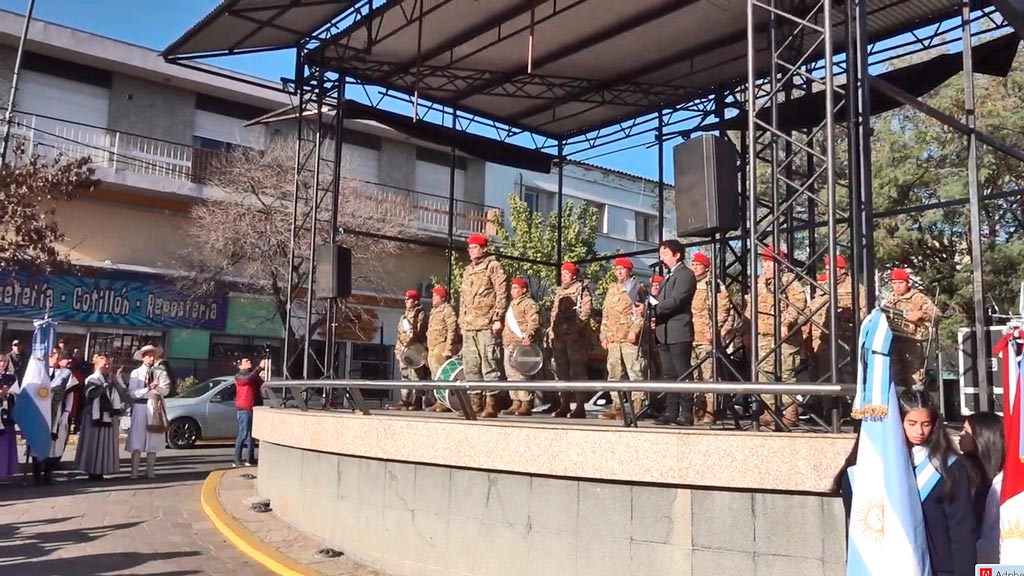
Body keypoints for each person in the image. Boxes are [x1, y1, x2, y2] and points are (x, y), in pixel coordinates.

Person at [841, 390, 977, 575]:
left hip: (939, 568)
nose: (919, 431)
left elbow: (962, 530)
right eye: (911, 424)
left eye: (926, 424)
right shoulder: (864, 472)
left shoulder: (948, 467)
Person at [744, 246, 806, 427]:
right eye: (765, 261)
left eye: (771, 262)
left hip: (785, 337)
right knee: (764, 373)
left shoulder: (789, 280)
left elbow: (799, 302)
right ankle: (770, 410)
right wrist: (746, 331)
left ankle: (790, 413)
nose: (767, 265)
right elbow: (750, 308)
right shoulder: (760, 281)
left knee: (786, 373)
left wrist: (786, 322)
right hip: (763, 336)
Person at [458, 234, 509, 416]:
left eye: (474, 247)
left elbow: (502, 292)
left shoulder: (493, 266)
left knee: (490, 364)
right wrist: (461, 321)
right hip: (470, 325)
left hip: (487, 324)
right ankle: (475, 403)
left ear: (483, 248)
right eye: (470, 248)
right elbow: (463, 299)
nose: (471, 251)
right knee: (471, 365)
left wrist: (497, 318)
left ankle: (491, 404)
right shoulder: (468, 270)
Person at [647, 240, 696, 426]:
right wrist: (647, 306)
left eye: (665, 254)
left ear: (677, 255)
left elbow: (677, 300)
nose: (661, 257)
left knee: (682, 372)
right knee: (669, 374)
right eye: (661, 254)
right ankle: (671, 411)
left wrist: (655, 309)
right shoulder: (668, 276)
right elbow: (662, 301)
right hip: (664, 331)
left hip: (678, 331)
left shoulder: (685, 274)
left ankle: (686, 412)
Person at [689, 251, 737, 424]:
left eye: (697, 265)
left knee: (709, 375)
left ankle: (711, 409)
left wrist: (714, 330)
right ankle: (698, 408)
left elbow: (724, 309)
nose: (694, 267)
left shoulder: (714, 284)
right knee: (694, 375)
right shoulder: (689, 283)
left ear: (706, 267)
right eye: (693, 264)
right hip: (691, 336)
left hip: (706, 337)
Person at [599, 257, 646, 420]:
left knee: (635, 372)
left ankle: (638, 407)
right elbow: (606, 314)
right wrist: (603, 335)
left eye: (622, 268)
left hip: (628, 339)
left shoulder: (635, 287)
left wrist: (635, 330)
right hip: (613, 339)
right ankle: (616, 407)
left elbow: (640, 312)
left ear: (629, 270)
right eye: (616, 269)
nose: (619, 272)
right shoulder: (612, 289)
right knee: (614, 374)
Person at [548, 262, 593, 419]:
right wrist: (550, 331)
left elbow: (586, 311)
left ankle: (580, 406)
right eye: (562, 274)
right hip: (559, 336)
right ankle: (564, 404)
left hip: (574, 337)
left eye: (566, 274)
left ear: (574, 275)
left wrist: (577, 329)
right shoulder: (560, 291)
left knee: (577, 371)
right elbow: (554, 313)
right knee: (561, 372)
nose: (563, 276)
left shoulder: (581, 289)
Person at [959, 411, 1004, 564]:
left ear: (983, 438)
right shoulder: (961, 470)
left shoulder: (1001, 483)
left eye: (965, 431)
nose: (960, 435)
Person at [885, 268, 939, 391]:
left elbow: (937, 314)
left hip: (912, 344)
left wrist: (921, 314)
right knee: (895, 380)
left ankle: (917, 407)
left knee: (915, 381)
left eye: (900, 283)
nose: (897, 286)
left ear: (907, 283)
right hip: (893, 342)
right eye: (894, 283)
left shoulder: (917, 297)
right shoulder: (888, 299)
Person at [74, 354, 126, 481]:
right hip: (94, 416)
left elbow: (123, 393)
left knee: (104, 443)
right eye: (104, 364)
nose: (107, 366)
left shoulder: (111, 378)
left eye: (109, 364)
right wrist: (103, 387)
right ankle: (92, 470)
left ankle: (101, 469)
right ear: (97, 366)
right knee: (93, 442)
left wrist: (115, 382)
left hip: (108, 415)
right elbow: (89, 395)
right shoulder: (92, 379)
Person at [126, 344, 172, 479]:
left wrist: (157, 388)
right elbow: (132, 393)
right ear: (143, 358)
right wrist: (147, 389)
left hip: (154, 406)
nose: (152, 358)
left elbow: (166, 390)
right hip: (140, 407)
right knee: (137, 438)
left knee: (153, 437)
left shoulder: (161, 372)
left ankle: (150, 470)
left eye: (154, 356)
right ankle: (134, 471)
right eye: (149, 356)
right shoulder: (136, 373)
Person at [502, 277, 541, 417]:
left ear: (523, 290)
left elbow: (534, 321)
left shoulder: (528, 304)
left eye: (515, 288)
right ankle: (515, 402)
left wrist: (529, 335)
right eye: (512, 288)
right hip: (509, 344)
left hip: (521, 345)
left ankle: (526, 403)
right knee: (510, 375)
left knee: (521, 374)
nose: (512, 291)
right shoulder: (512, 304)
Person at [391, 289, 429, 411]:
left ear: (415, 300)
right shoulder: (404, 316)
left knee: (417, 375)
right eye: (406, 299)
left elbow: (418, 332)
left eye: (409, 299)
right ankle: (405, 399)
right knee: (405, 374)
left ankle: (417, 400)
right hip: (403, 350)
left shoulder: (421, 314)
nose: (406, 301)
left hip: (415, 350)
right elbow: (399, 334)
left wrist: (409, 343)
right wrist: (399, 349)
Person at [426, 286, 458, 412]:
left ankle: (445, 402)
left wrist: (448, 347)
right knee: (435, 376)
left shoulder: (447, 310)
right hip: (432, 346)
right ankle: (439, 400)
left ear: (443, 298)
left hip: (441, 345)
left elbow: (452, 329)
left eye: (435, 296)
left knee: (442, 375)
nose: (433, 298)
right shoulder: (434, 311)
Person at [234, 357, 265, 467]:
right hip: (244, 409)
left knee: (251, 435)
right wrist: (259, 368)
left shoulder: (252, 377)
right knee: (243, 433)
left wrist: (262, 373)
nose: (249, 362)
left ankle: (250, 458)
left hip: (252, 408)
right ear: (240, 366)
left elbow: (261, 383)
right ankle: (237, 459)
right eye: (246, 361)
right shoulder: (240, 376)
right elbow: (247, 378)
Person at [0, 361, 16, 480]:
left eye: (4, 361)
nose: (2, 364)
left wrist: (9, 393)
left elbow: (17, 394)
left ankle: (3, 471)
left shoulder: (10, 377)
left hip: (6, 417)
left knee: (4, 448)